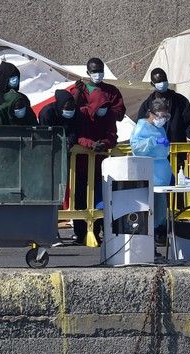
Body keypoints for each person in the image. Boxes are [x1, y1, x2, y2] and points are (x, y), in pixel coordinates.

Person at [73, 91, 118, 245]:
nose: (103, 109)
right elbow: (77, 135)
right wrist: (90, 144)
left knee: (99, 199)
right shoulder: (82, 114)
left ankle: (97, 231)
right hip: (80, 165)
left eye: (106, 106)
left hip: (101, 166)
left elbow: (113, 136)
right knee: (80, 199)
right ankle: (80, 234)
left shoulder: (109, 116)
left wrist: (104, 144)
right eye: (101, 106)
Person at [130, 98, 172, 250]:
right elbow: (136, 147)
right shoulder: (142, 126)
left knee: (160, 211)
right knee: (147, 211)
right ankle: (147, 247)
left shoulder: (160, 128)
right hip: (148, 173)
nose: (163, 119)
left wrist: (164, 144)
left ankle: (153, 243)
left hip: (161, 176)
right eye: (161, 115)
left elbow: (163, 150)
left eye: (166, 116)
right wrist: (153, 142)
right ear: (152, 113)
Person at [137, 68, 190, 142]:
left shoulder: (180, 101)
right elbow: (141, 128)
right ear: (152, 83)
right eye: (159, 81)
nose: (162, 83)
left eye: (164, 80)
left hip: (177, 148)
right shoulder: (147, 105)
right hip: (156, 149)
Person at [71, 57, 126, 122]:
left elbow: (120, 115)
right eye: (94, 71)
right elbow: (71, 110)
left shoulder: (112, 91)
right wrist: (78, 92)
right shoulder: (81, 89)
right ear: (88, 73)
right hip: (85, 130)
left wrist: (106, 112)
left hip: (106, 130)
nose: (98, 74)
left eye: (100, 71)